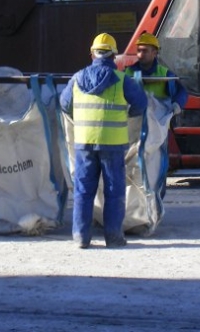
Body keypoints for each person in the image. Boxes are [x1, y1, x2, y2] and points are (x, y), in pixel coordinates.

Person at [60, 33, 148, 249]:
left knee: (83, 190)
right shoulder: (122, 80)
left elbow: (64, 104)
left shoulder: (76, 78)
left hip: (84, 143)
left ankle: (81, 237)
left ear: (92, 54)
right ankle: (114, 237)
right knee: (114, 191)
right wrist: (124, 115)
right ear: (114, 56)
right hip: (113, 144)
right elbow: (141, 104)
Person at [125, 32, 188, 114]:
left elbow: (181, 91)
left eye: (144, 51)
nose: (140, 55)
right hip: (135, 123)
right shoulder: (128, 72)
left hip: (158, 123)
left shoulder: (165, 74)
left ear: (154, 53)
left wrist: (177, 104)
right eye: (139, 51)